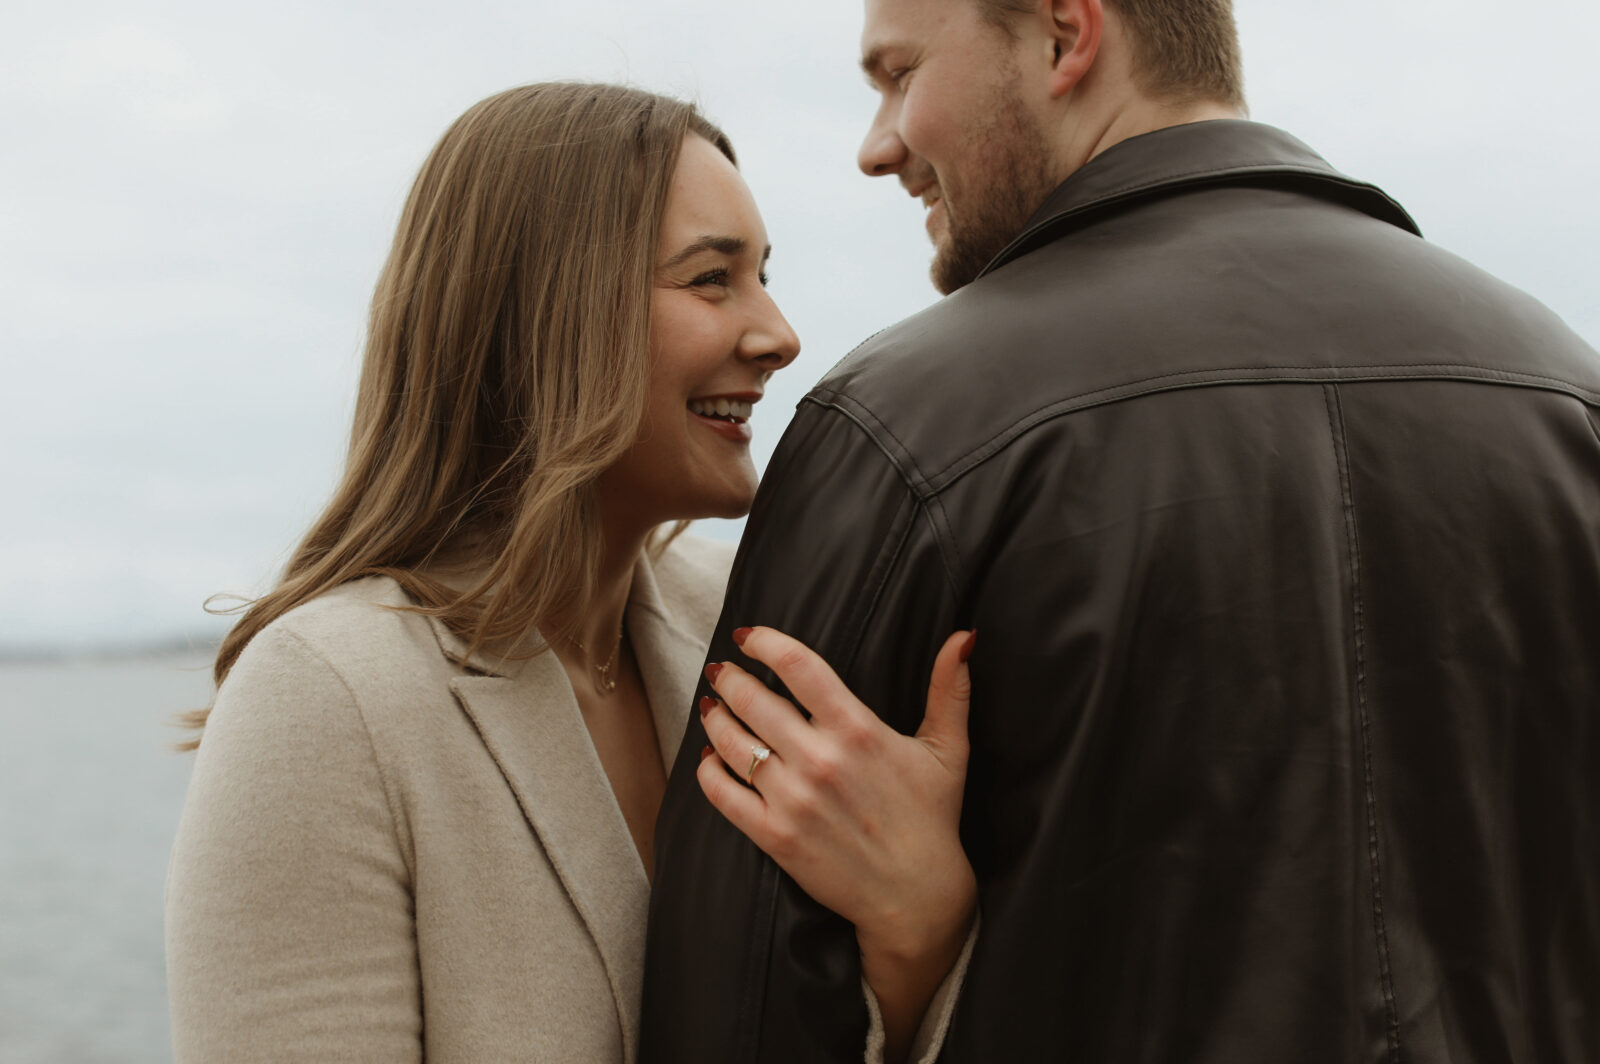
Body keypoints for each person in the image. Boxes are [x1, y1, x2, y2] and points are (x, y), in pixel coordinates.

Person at [641, 0, 1600, 1060]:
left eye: (900, 74)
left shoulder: (897, 425)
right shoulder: (1568, 395)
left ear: (1064, 33)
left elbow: (735, 1013)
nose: (879, 146)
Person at [164, 82, 975, 1064]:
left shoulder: (755, 621)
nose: (778, 335)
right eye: (712, 280)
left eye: (761, 275)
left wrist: (919, 928)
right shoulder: (329, 697)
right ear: (553, 313)